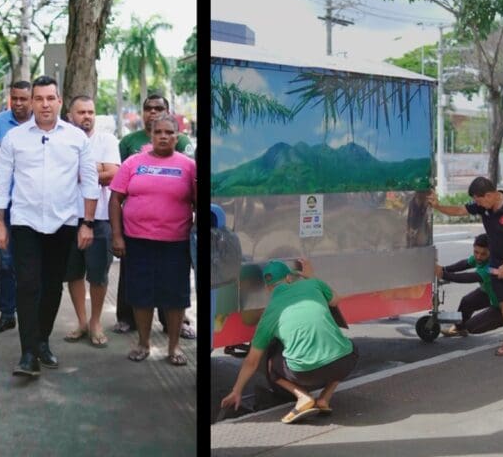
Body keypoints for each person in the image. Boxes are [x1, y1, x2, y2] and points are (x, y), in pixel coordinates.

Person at [0, 76, 99, 378]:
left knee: (52, 286)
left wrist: (87, 223)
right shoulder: (14, 138)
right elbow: (1, 184)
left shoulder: (76, 138)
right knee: (27, 285)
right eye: (39, 99)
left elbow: (90, 183)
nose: (45, 104)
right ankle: (27, 354)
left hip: (63, 223)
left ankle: (41, 341)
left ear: (60, 101)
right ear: (32, 101)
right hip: (24, 223)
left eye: (50, 98)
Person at [221, 258, 359, 423]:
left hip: (304, 373)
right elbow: (335, 300)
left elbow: (252, 361)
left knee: (270, 363)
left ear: (267, 288)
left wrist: (236, 391)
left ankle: (303, 397)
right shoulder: (313, 283)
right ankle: (324, 398)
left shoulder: (269, 314)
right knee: (349, 348)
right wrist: (310, 277)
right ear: (289, 278)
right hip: (343, 363)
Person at [110, 114, 196, 366]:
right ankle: (144, 343)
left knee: (175, 296)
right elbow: (115, 199)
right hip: (137, 241)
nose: (163, 136)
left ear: (177, 137)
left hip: (175, 243)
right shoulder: (133, 163)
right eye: (159, 132)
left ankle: (174, 347)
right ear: (151, 134)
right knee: (141, 294)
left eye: (169, 133)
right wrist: (117, 236)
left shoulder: (189, 166)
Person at [430, 177, 503, 355]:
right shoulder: (483, 206)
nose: (477, 205)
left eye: (479, 200)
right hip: (495, 263)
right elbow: (460, 210)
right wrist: (437, 206)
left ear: (490, 195)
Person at [61, 96, 121, 348]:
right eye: (81, 112)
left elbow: (114, 175)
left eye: (91, 112)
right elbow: (57, 175)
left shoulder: (106, 140)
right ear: (70, 116)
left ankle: (96, 322)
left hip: (100, 219)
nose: (87, 116)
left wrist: (81, 173)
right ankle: (82, 321)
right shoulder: (61, 140)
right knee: (72, 274)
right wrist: (95, 169)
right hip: (66, 219)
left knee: (98, 276)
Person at [0, 80, 33, 335]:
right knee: (6, 262)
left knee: (33, 264)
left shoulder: (41, 124)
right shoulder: (1, 121)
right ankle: (7, 314)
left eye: (24, 98)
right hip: (6, 205)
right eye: (15, 98)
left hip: (34, 206)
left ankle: (33, 316)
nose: (19, 104)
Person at [436, 234, 503, 337]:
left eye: (483, 254)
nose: (478, 256)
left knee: (472, 327)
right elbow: (465, 264)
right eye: (476, 252)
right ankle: (459, 329)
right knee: (467, 301)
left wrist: (443, 274)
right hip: (490, 293)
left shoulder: (494, 265)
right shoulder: (480, 258)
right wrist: (444, 269)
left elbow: (469, 277)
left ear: (491, 251)